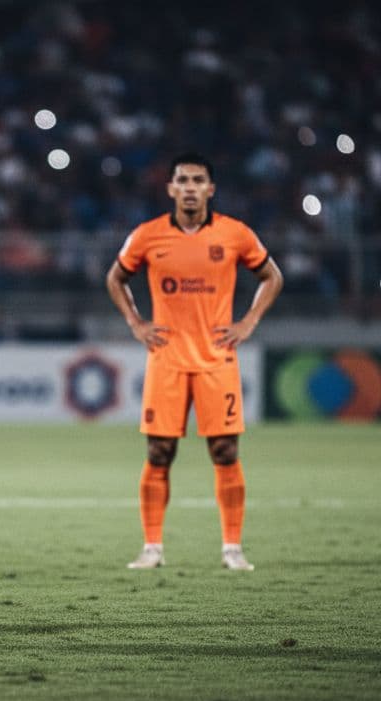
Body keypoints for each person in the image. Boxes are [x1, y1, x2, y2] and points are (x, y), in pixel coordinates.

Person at [105, 152, 283, 571]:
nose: (189, 187)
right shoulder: (148, 235)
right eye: (182, 180)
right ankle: (152, 548)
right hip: (166, 360)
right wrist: (135, 322)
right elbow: (115, 277)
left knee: (224, 450)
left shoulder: (235, 234)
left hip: (217, 359)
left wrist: (249, 321)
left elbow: (272, 276)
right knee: (159, 451)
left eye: (197, 180)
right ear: (170, 188)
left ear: (210, 188)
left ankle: (232, 548)